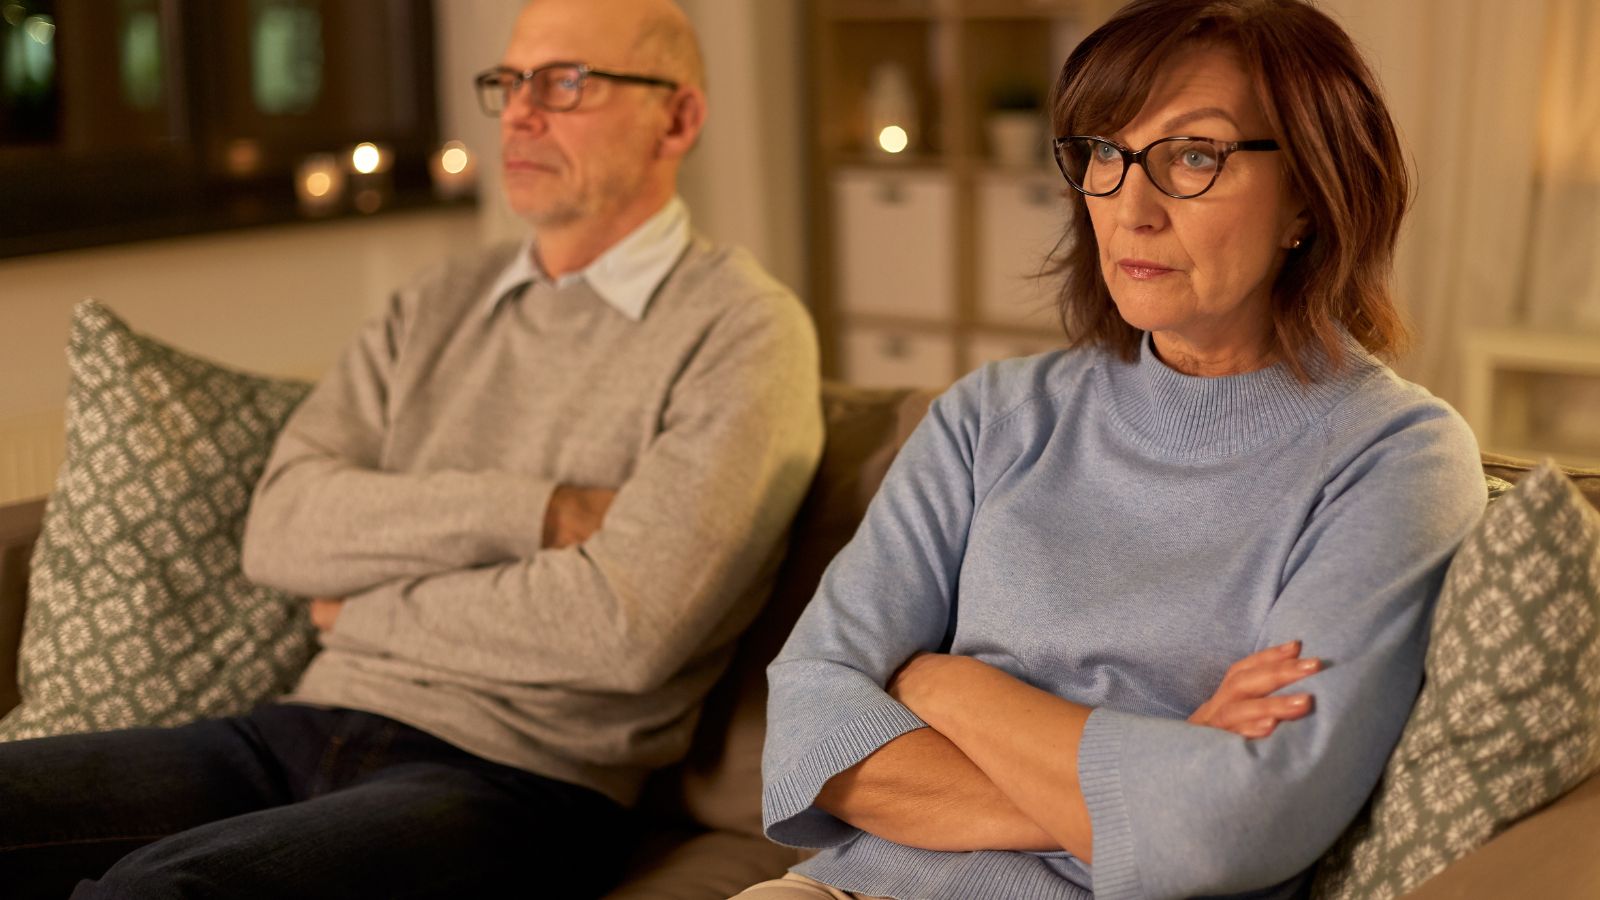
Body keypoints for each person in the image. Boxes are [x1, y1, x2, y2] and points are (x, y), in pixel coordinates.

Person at [0, 0, 822, 897]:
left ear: (679, 117)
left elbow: (623, 631)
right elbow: (279, 530)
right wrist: (536, 510)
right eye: (508, 83)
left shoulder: (745, 330)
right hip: (298, 728)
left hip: (518, 783)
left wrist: (359, 612)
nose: (518, 111)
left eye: (566, 82)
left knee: (164, 890)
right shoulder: (434, 303)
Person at [741, 1, 1486, 898]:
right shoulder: (989, 418)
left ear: (1310, 193)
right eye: (1102, 151)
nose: (1129, 208)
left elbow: (1236, 825)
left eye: (1193, 157)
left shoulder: (1398, 459)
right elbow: (810, 725)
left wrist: (944, 688)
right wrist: (1147, 787)